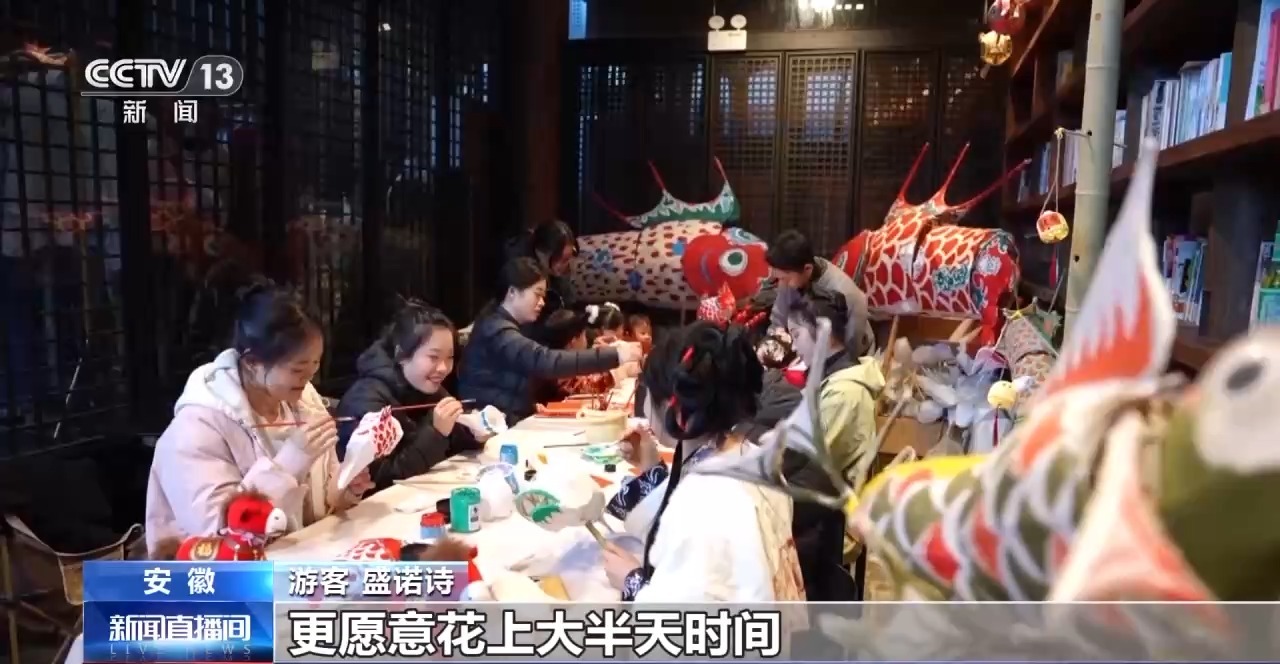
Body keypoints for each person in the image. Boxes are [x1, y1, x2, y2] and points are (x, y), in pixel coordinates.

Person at [145, 282, 372, 554]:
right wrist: (287, 466)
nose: (311, 378)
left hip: (298, 556)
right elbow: (217, 534)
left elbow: (317, 508)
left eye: (315, 364)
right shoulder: (195, 428)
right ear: (252, 363)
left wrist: (345, 488)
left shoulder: (304, 400)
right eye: (298, 369)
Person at [599, 321, 806, 603]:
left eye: (648, 392)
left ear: (674, 409)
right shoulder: (749, 455)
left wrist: (632, 581)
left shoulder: (706, 500)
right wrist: (652, 469)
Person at [783, 288, 884, 601]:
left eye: (796, 335)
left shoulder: (844, 393)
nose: (793, 345)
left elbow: (809, 464)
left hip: (833, 523)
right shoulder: (834, 378)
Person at [459, 258, 642, 421]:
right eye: (537, 294)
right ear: (512, 292)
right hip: (486, 428)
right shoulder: (496, 329)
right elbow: (545, 361)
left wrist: (529, 407)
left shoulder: (501, 325)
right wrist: (616, 354)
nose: (542, 302)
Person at [335, 300, 483, 492]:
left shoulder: (427, 386)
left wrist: (475, 432)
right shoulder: (366, 400)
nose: (443, 368)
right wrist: (436, 434)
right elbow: (379, 480)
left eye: (450, 357)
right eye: (433, 357)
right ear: (401, 354)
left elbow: (454, 437)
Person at [766, 229, 875, 356]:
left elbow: (850, 351)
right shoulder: (791, 277)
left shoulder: (844, 293)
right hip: (803, 350)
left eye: (785, 279)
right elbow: (777, 322)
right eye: (779, 279)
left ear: (807, 269)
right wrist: (774, 342)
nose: (781, 285)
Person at [505, 219, 579, 331]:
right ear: (541, 251)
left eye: (567, 259)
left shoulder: (560, 272)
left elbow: (569, 302)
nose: (564, 265)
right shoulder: (520, 270)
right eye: (560, 259)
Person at [539, 309, 614, 400]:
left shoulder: (549, 361)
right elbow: (599, 383)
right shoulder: (565, 378)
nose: (586, 339)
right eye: (584, 335)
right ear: (573, 341)